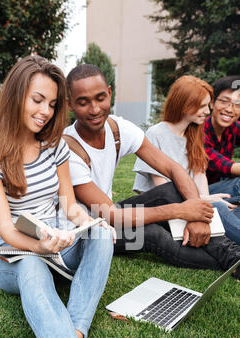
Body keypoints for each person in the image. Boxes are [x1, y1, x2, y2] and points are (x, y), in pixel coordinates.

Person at [0, 55, 115, 338]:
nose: (45, 111)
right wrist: (39, 245)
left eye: (52, 104)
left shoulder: (55, 146)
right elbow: (6, 229)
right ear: (16, 95)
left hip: (58, 242)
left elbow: (69, 203)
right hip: (16, 258)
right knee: (30, 260)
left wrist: (85, 224)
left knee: (102, 232)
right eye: (38, 100)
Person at [64, 64, 240, 277]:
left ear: (110, 93)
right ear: (69, 104)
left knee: (169, 190)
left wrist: (197, 213)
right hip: (84, 232)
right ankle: (234, 262)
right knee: (153, 235)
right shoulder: (68, 149)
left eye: (100, 98)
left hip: (110, 211)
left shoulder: (119, 129)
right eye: (83, 102)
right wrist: (179, 210)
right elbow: (109, 215)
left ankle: (231, 253)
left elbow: (173, 168)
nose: (94, 109)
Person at [133, 75, 240, 246]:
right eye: (202, 106)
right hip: (168, 208)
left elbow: (199, 173)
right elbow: (163, 191)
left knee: (230, 201)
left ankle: (228, 225)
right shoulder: (156, 134)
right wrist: (205, 201)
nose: (207, 111)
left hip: (194, 199)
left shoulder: (194, 133)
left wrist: (205, 197)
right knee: (217, 209)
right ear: (185, 104)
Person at [204, 75, 240, 199]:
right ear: (212, 103)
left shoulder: (234, 127)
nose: (230, 109)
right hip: (199, 193)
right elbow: (222, 164)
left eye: (237, 104)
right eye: (224, 102)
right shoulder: (198, 131)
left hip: (222, 184)